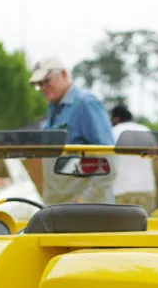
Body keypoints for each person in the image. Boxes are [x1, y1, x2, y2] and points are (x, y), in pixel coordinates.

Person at [28, 56, 115, 205]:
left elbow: (109, 160)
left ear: (63, 74)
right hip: (59, 206)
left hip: (83, 210)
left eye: (46, 81)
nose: (42, 88)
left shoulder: (85, 104)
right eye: (39, 84)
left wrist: (86, 200)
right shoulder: (53, 109)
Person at [110, 104, 156, 211]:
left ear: (116, 118)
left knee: (122, 225)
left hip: (121, 188)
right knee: (146, 224)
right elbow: (155, 155)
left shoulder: (113, 131)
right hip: (146, 186)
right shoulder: (146, 130)